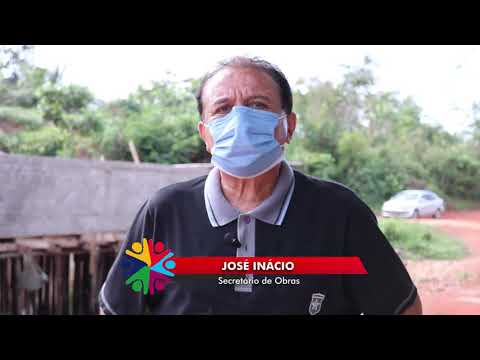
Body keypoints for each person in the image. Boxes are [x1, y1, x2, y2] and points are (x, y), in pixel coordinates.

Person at [99, 56, 422, 315]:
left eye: (257, 105)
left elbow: (401, 308)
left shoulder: (339, 214)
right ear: (206, 134)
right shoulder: (166, 214)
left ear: (288, 126)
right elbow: (118, 306)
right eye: (223, 109)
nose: (239, 121)